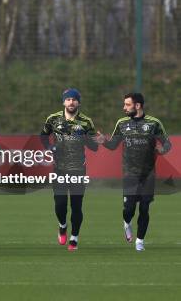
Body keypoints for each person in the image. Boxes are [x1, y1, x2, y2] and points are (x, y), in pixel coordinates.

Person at [98, 92, 171, 251]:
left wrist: (162, 149)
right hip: (130, 173)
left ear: (137, 106)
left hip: (149, 173)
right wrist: (104, 142)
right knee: (129, 209)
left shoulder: (154, 123)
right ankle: (127, 223)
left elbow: (167, 144)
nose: (124, 108)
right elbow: (113, 145)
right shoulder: (122, 123)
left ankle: (140, 241)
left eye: (127, 104)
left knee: (145, 207)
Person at [40, 88, 98, 251]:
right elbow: (43, 136)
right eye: (68, 99)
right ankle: (62, 225)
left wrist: (87, 138)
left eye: (74, 99)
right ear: (63, 102)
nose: (71, 102)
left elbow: (94, 147)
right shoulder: (53, 119)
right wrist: (50, 147)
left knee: (76, 205)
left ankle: (74, 238)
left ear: (78, 102)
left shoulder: (86, 122)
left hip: (79, 169)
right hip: (59, 169)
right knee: (60, 204)